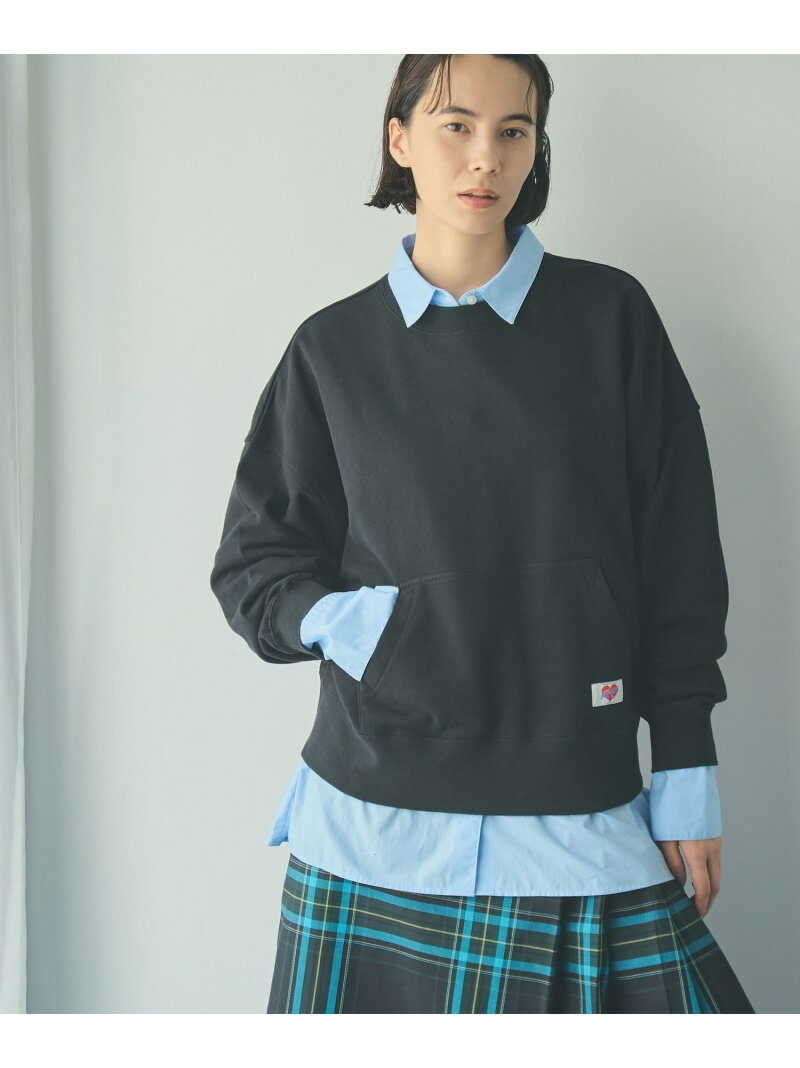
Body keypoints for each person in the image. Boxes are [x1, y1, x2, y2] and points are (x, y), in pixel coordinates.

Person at [210, 54, 755, 1013]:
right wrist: (354, 626)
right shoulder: (332, 350)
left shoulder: (612, 319)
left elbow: (679, 559)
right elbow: (256, 564)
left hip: (577, 804)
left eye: (514, 130)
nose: (485, 158)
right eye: (456, 125)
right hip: (372, 820)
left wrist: (685, 767)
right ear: (399, 140)